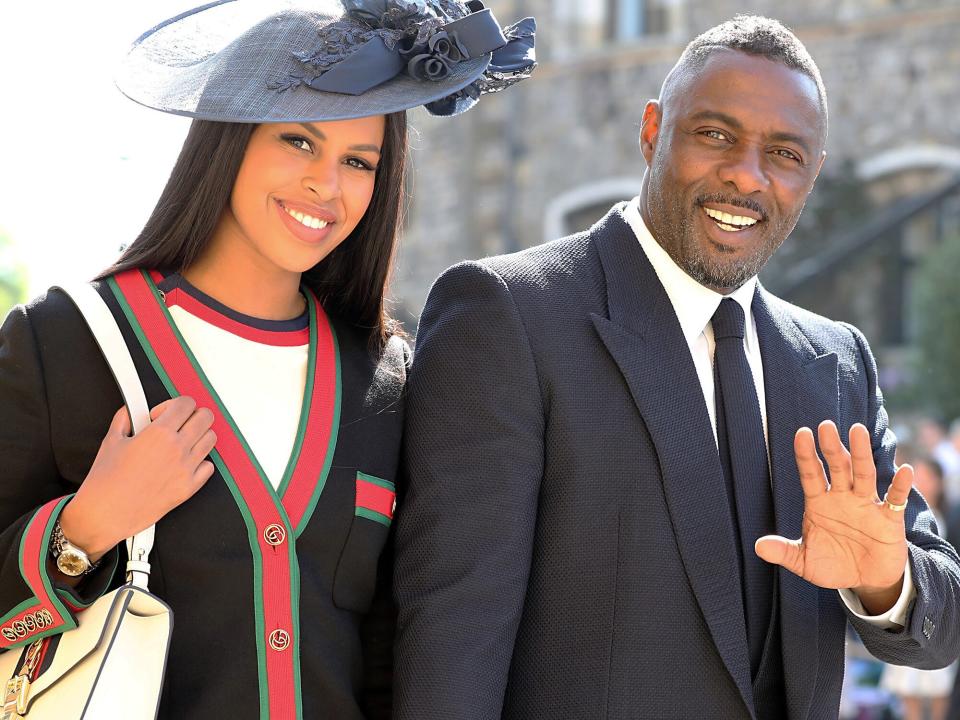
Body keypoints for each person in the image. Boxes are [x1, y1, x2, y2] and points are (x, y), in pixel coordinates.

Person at [395, 15, 960, 720]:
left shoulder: (835, 362)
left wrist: (884, 581)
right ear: (652, 130)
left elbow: (941, 624)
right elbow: (451, 651)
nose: (745, 176)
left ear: (811, 174)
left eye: (784, 153)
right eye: (716, 135)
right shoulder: (510, 316)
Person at [0, 1, 534, 718]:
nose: (328, 185)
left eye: (358, 161)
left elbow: (397, 648)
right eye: (299, 142)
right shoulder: (65, 341)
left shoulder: (388, 382)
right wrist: (85, 529)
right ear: (231, 138)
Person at [880, 451, 955, 720]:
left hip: (938, 607)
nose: (920, 481)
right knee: (907, 685)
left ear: (937, 482)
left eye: (925, 476)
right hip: (906, 605)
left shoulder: (946, 516)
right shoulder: (905, 514)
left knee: (936, 686)